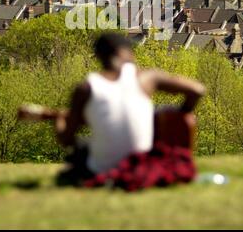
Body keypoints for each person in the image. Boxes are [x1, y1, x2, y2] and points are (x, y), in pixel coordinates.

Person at [18, 32, 206, 190]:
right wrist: (179, 114)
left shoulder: (86, 88)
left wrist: (58, 119)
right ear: (128, 53)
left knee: (82, 147)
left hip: (100, 170)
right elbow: (197, 90)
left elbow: (66, 139)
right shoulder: (146, 77)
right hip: (143, 162)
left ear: (99, 57)